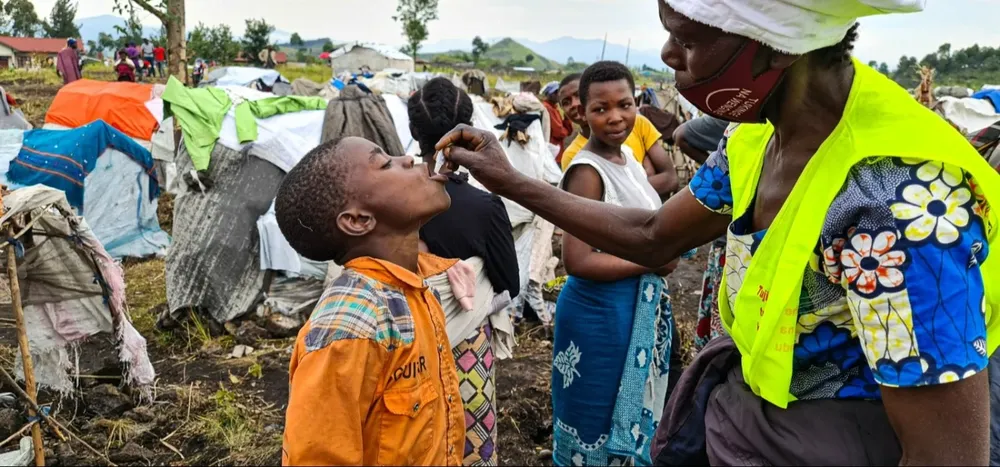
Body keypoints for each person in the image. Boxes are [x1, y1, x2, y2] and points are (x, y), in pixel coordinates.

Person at [435, 0, 1000, 464]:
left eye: (688, 39)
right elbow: (657, 231)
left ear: (775, 47)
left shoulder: (892, 200)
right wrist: (508, 180)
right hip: (759, 421)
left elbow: (944, 452)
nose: (667, 53)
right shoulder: (753, 138)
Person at [278, 137, 465, 466]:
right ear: (358, 220)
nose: (407, 159)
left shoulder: (414, 288)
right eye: (385, 163)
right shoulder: (346, 332)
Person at [550, 61, 677, 466]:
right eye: (601, 109)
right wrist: (651, 260)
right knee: (596, 418)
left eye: (625, 104)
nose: (615, 117)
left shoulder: (628, 159)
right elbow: (578, 260)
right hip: (599, 314)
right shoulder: (587, 172)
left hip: (629, 307)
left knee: (630, 411)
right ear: (582, 113)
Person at [407, 77, 520, 466]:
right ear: (468, 131)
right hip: (465, 353)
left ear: (412, 131)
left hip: (401, 356)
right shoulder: (484, 207)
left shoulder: (390, 201)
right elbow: (511, 283)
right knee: (466, 443)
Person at [558, 73, 679, 199]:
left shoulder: (637, 124)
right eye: (566, 102)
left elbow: (670, 179)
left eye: (578, 95)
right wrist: (646, 173)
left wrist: (618, 188)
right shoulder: (574, 157)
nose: (574, 104)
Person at [541, 81, 574, 164]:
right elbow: (559, 132)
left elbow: (567, 130)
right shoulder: (548, 108)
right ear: (548, 94)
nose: (558, 95)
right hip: (553, 152)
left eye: (559, 92)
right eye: (555, 92)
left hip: (556, 150)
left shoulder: (554, 108)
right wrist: (565, 129)